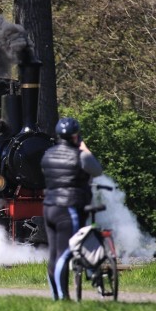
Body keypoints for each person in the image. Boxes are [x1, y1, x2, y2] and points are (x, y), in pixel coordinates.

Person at [41, 117, 103, 301]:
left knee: (53, 254)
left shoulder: (48, 154)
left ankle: (56, 296)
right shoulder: (81, 155)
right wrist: (83, 146)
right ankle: (62, 298)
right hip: (68, 207)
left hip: (49, 207)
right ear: (75, 136)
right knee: (67, 252)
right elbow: (97, 170)